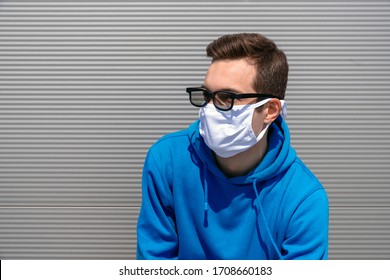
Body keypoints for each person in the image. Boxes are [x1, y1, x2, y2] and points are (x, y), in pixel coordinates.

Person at [137, 33, 329, 260]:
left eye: (226, 97)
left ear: (270, 110)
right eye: (207, 95)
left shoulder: (304, 198)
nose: (209, 109)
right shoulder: (167, 160)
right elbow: (153, 264)